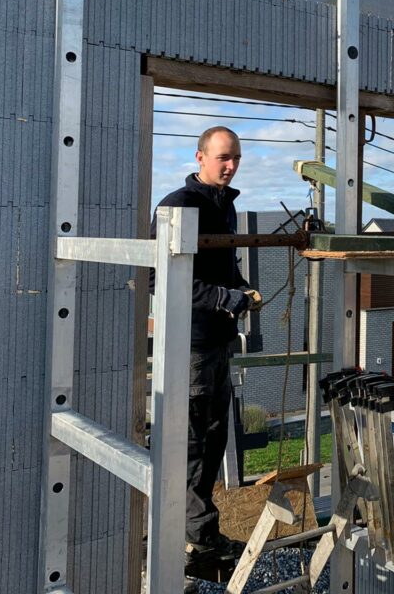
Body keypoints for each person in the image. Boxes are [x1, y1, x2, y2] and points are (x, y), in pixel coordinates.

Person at [151, 126, 260, 583]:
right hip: (190, 344)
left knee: (214, 436)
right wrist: (228, 299)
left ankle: (200, 536)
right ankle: (188, 538)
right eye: (222, 158)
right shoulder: (179, 204)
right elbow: (166, 281)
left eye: (235, 157)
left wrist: (239, 288)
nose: (230, 165)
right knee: (192, 440)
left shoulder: (223, 205)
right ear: (200, 157)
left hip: (216, 342)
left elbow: (221, 266)